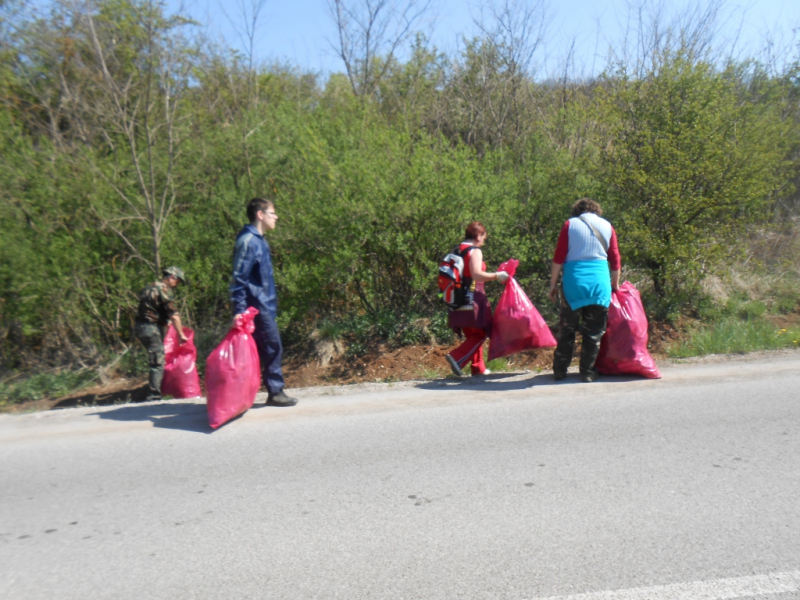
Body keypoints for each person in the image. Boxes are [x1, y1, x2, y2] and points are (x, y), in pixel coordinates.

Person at [230, 197, 297, 407]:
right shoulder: (248, 242)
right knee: (271, 347)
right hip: (255, 308)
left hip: (264, 305)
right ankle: (275, 392)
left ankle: (245, 394)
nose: (276, 217)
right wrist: (239, 310)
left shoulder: (260, 240)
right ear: (260, 214)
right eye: (272, 213)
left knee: (264, 350)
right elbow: (238, 278)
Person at [549, 198, 621, 382]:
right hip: (599, 282)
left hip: (574, 282)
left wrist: (553, 285)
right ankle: (587, 372)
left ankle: (559, 371)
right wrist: (615, 284)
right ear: (597, 211)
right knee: (594, 331)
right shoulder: (607, 226)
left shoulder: (570, 225)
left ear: (577, 211)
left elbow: (559, 257)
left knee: (567, 329)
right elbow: (615, 259)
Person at [444, 221, 510, 377]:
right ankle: (457, 357)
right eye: (483, 238)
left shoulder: (456, 250)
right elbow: (476, 274)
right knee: (481, 333)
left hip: (456, 300)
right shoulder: (474, 251)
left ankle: (478, 368)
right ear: (478, 235)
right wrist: (497, 275)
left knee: (473, 336)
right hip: (473, 300)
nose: (483, 241)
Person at [135, 266, 188, 402]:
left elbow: (150, 309)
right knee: (157, 360)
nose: (177, 285)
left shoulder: (148, 287)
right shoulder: (164, 289)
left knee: (155, 358)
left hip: (140, 326)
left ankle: (153, 390)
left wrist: (164, 321)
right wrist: (181, 333)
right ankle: (153, 396)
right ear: (172, 277)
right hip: (151, 328)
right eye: (178, 281)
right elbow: (173, 314)